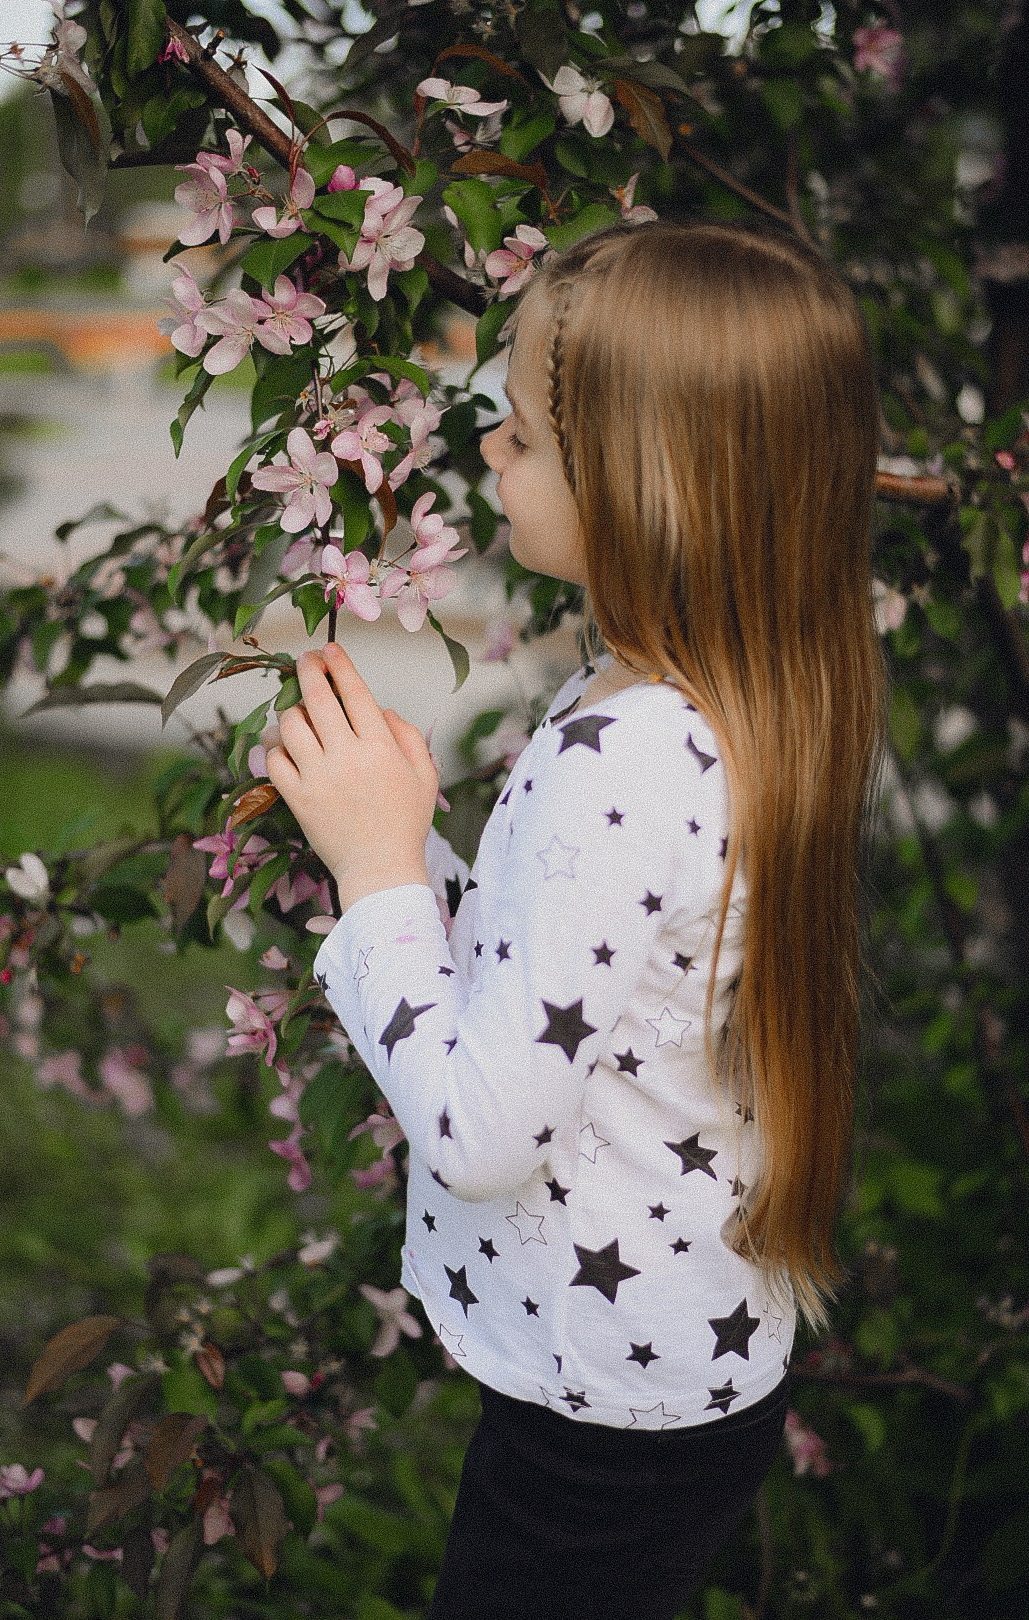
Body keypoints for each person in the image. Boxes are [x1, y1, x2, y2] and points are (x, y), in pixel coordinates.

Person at [264, 219, 886, 1620]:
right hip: (668, 1362)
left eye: (526, 436)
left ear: (647, 488)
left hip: (600, 1423)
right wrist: (399, 831)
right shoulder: (716, 696)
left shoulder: (629, 751)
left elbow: (484, 1131)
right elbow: (564, 989)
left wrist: (375, 875)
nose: (489, 447)